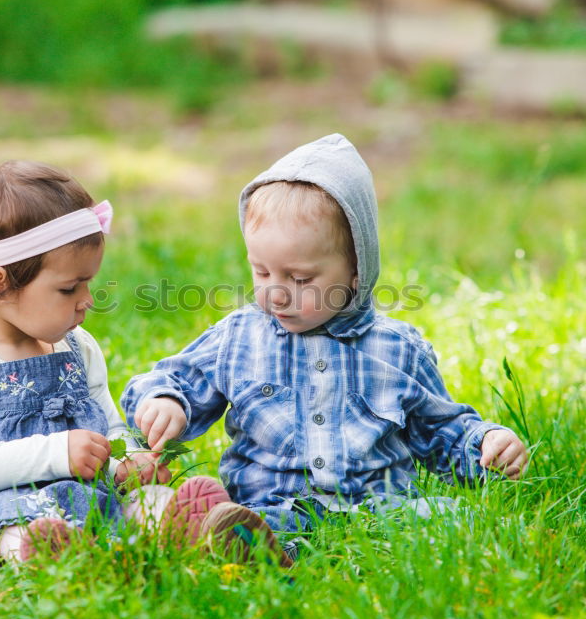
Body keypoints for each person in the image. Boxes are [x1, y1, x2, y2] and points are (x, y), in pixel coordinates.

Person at [121, 134, 528, 563]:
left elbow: (440, 430)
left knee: (447, 519)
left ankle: (306, 550)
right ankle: (251, 546)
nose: (276, 294)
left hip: (380, 510)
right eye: (261, 272)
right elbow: (176, 379)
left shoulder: (398, 349)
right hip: (275, 508)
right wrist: (164, 401)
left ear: (356, 271)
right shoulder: (239, 337)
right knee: (243, 522)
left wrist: (486, 444)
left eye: (299, 279)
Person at [0, 160, 220, 566]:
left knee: (144, 502)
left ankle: (198, 526)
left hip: (83, 494)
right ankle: (51, 558)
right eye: (69, 288)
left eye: (87, 283)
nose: (87, 299)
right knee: (16, 527)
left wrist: (127, 461)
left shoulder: (77, 347)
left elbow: (109, 425)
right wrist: (56, 453)